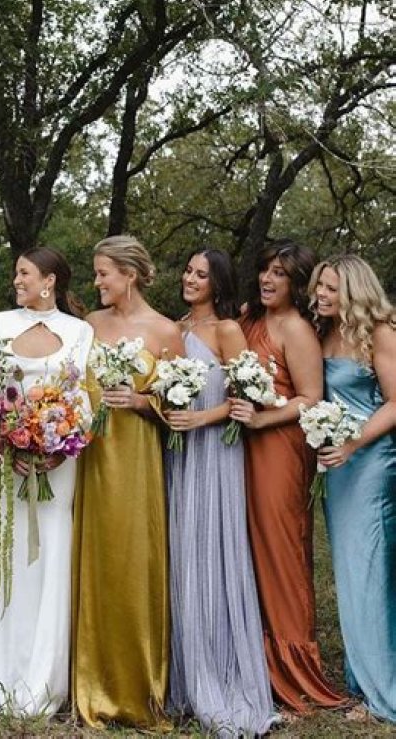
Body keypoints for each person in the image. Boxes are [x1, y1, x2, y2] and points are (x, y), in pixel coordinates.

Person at [71, 234, 183, 729]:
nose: (96, 282)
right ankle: (92, 680)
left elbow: (180, 402)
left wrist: (141, 402)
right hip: (92, 458)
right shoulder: (89, 326)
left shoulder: (165, 331)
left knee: (135, 560)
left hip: (138, 460)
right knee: (96, 560)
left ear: (129, 275)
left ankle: (140, 684)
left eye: (102, 273)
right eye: (96, 273)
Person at [164, 249, 277, 736]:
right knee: (182, 553)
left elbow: (245, 397)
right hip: (177, 454)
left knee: (212, 553)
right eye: (188, 271)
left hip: (215, 452)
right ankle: (185, 675)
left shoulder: (227, 330)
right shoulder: (173, 327)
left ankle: (222, 672)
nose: (190, 279)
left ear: (218, 282)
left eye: (201, 274)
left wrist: (200, 418)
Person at [230, 239, 344, 713]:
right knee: (247, 550)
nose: (268, 279)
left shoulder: (296, 330)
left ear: (297, 283)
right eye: (265, 270)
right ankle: (251, 662)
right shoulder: (248, 322)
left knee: (281, 550)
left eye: (279, 273)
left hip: (278, 447)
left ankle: (294, 667)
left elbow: (310, 397)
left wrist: (260, 418)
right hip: (240, 449)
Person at [0, 247, 93, 716]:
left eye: (24, 273)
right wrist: (10, 439)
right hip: (5, 457)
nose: (16, 280)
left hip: (59, 462)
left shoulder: (79, 330)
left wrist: (58, 442)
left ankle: (45, 681)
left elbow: (85, 394)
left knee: (50, 554)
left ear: (49, 280)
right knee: (4, 551)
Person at [311, 253, 396, 723]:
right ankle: (362, 682)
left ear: (353, 291)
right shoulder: (324, 331)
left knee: (369, 571)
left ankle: (383, 691)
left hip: (369, 463)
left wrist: (352, 441)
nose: (319, 293)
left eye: (329, 288)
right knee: (349, 572)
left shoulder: (379, 333)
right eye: (319, 286)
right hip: (337, 466)